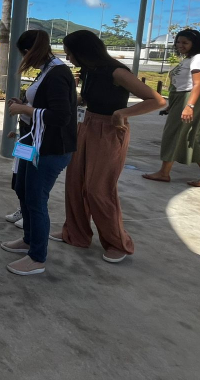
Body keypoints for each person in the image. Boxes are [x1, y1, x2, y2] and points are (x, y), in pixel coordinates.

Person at [52, 30, 165, 263]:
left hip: (110, 130)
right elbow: (90, 99)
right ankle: (76, 233)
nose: (69, 58)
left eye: (70, 54)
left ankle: (117, 243)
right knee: (75, 182)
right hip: (87, 125)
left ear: (83, 52)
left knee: (98, 188)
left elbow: (157, 100)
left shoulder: (117, 71)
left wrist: (123, 113)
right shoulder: (90, 71)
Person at [1, 30, 76, 276]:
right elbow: (42, 106)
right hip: (30, 143)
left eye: (23, 54)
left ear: (28, 51)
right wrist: (23, 106)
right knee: (21, 189)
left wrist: (25, 108)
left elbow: (60, 116)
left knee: (35, 199)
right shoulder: (46, 71)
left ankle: (37, 256)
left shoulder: (57, 74)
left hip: (49, 149)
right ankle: (29, 239)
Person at [142, 29, 200, 188]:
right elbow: (182, 84)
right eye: (178, 42)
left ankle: (164, 173)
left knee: (173, 134)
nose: (180, 45)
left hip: (190, 99)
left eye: (185, 42)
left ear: (194, 43)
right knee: (191, 136)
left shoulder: (199, 58)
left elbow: (197, 85)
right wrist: (173, 105)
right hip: (182, 99)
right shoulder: (189, 59)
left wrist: (189, 106)